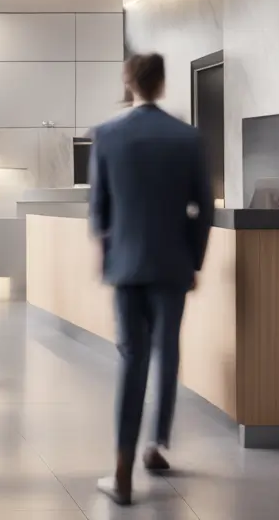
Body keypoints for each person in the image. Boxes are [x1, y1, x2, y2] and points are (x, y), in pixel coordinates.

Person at [89, 53, 212, 506]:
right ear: (162, 83)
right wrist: (194, 260)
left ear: (128, 82)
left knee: (131, 356)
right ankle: (157, 443)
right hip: (172, 263)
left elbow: (99, 211)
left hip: (126, 264)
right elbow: (203, 207)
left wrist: (109, 258)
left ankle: (121, 468)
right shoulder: (187, 137)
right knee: (168, 349)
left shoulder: (106, 135)